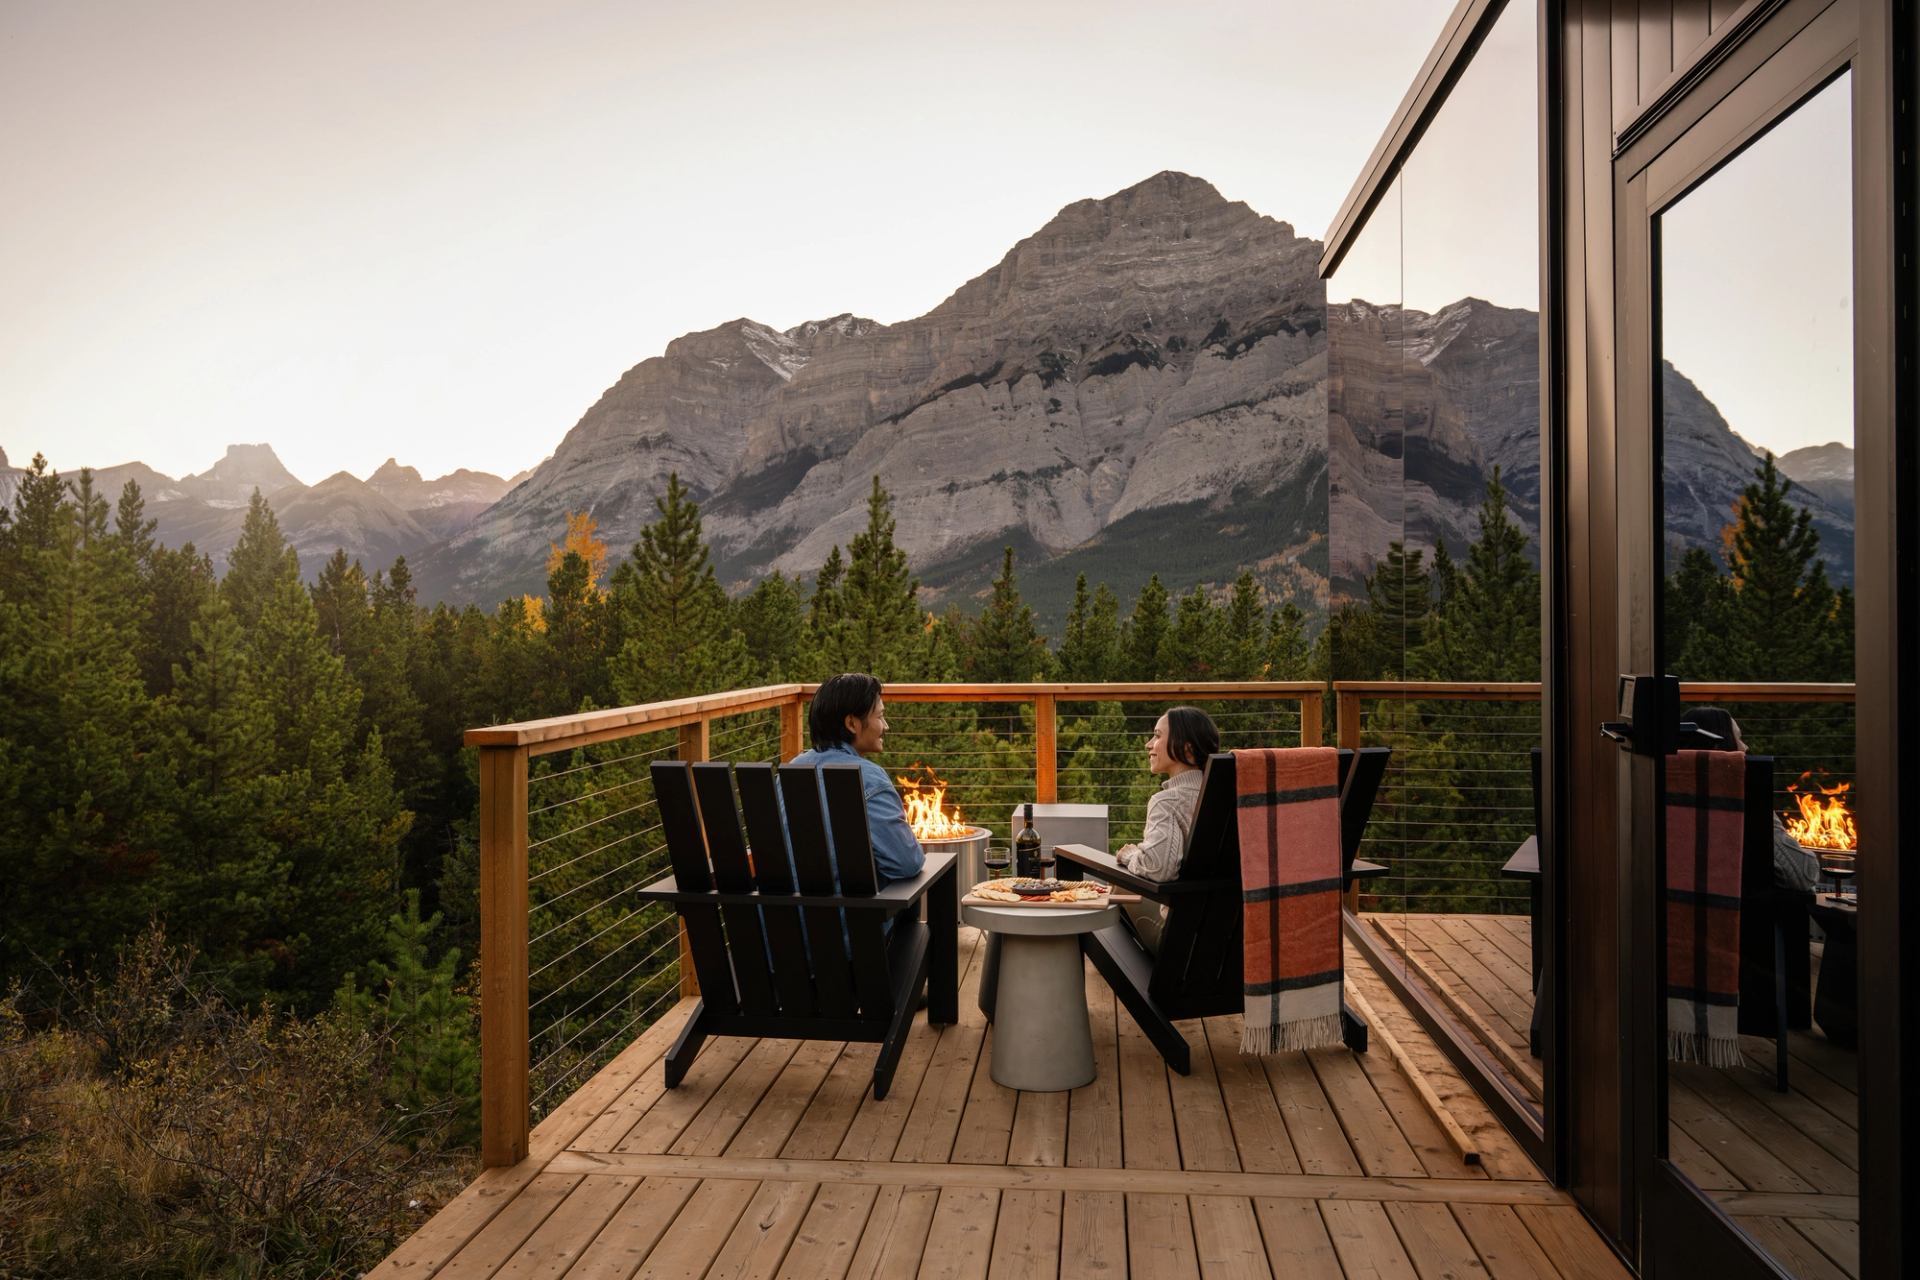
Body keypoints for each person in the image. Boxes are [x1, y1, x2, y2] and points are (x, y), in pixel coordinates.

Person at [786, 672, 925, 891]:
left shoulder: (789, 772)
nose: (885, 726)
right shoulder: (869, 779)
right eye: (879, 717)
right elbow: (907, 864)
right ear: (852, 723)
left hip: (782, 921)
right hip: (853, 923)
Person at [1112, 706, 1221, 952]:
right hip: (1228, 944)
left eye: (1158, 735)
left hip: (1178, 944)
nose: (1149, 744)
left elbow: (1160, 870)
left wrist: (1129, 855)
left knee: (1114, 888)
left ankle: (1137, 984)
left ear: (1187, 748)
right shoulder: (1226, 795)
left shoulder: (1167, 802)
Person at [1679, 707, 1820, 892]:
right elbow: (1804, 875)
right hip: (1745, 917)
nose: (1745, 747)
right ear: (1720, 747)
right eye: (1739, 738)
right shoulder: (1741, 801)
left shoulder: (1668, 792)